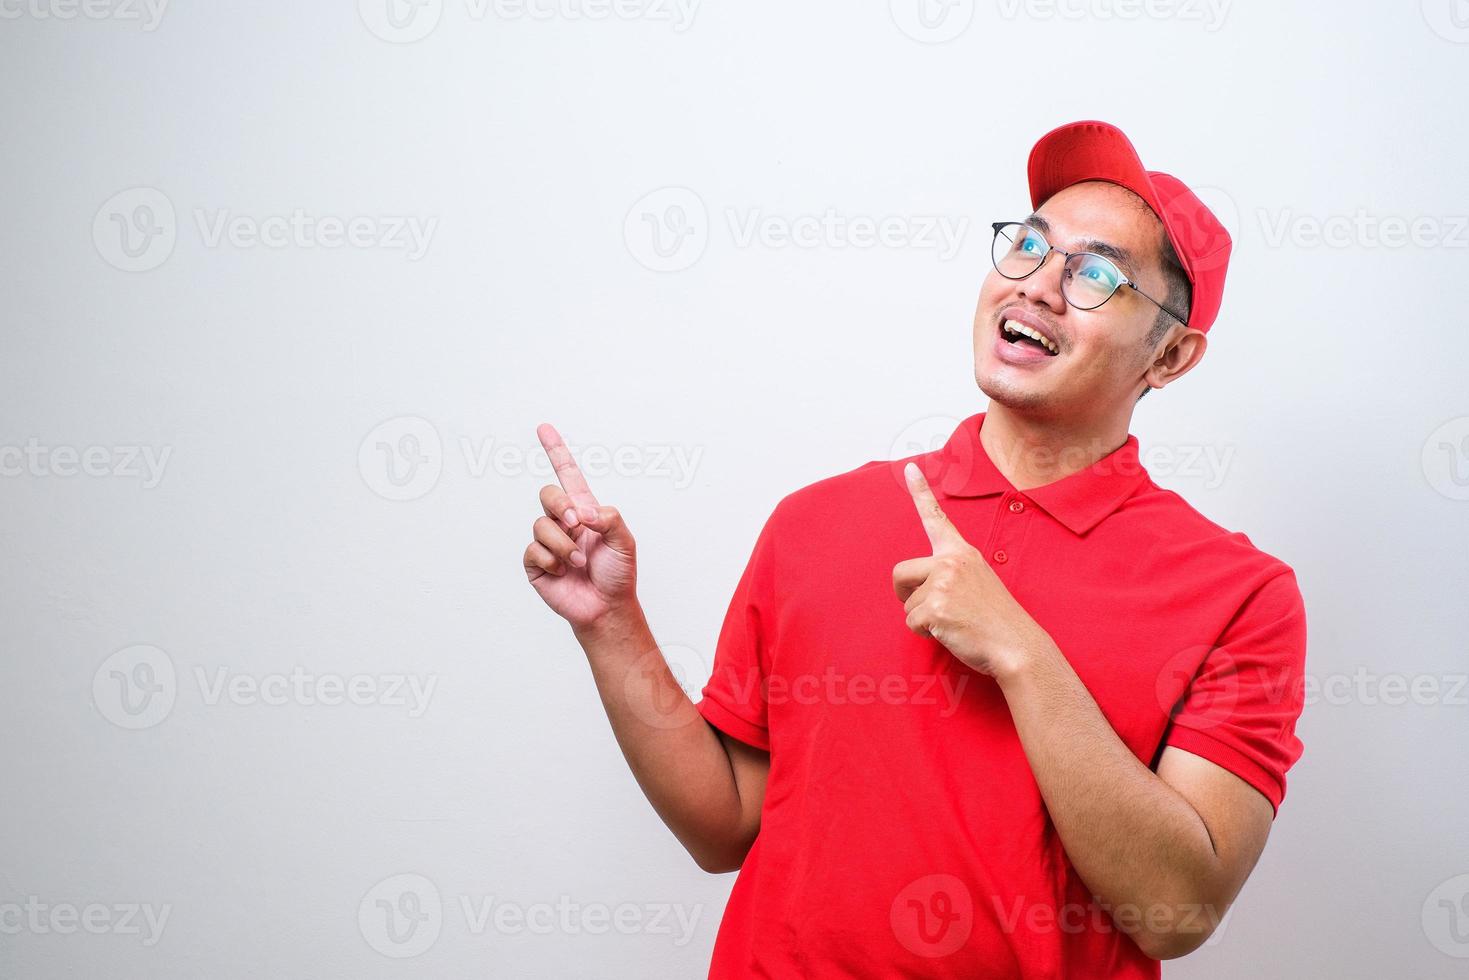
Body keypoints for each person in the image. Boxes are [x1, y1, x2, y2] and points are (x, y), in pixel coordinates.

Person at [523, 119, 1308, 978]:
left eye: (1095, 274)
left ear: (1170, 356)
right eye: (1027, 246)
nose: (1039, 286)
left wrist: (1019, 651)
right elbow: (723, 828)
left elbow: (1176, 912)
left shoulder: (1240, 593)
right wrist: (610, 625)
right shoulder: (817, 521)